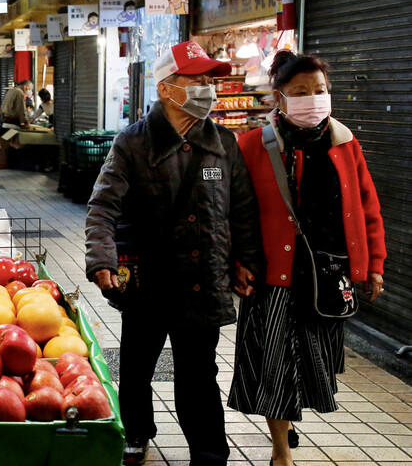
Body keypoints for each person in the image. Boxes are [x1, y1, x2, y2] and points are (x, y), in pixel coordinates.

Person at [85, 41, 263, 465]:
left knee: (199, 373)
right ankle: (136, 432)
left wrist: (247, 261)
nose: (207, 87)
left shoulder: (223, 142)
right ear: (167, 88)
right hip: (150, 276)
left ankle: (208, 452)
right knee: (137, 364)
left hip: (205, 278)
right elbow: (103, 205)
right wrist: (102, 259)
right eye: (196, 79)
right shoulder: (133, 142)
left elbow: (242, 208)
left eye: (209, 80)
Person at [228, 51, 386, 466]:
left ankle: (288, 417)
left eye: (319, 91)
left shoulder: (345, 142)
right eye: (300, 92)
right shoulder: (250, 146)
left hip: (327, 275)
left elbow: (367, 205)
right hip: (272, 278)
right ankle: (281, 451)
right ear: (279, 98)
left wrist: (373, 265)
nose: (313, 99)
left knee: (312, 363)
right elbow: (233, 211)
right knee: (274, 365)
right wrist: (235, 260)